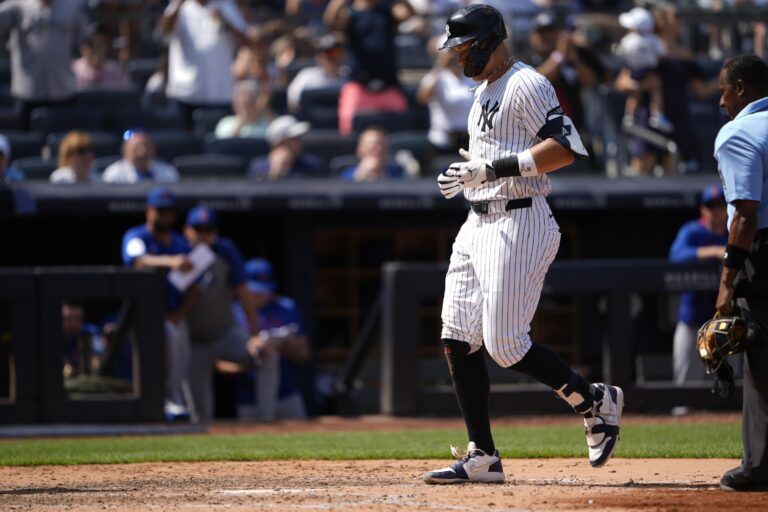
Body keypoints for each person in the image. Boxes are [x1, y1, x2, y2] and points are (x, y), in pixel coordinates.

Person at [428, 5, 622, 484]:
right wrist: (469, 175)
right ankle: (484, 456)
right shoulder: (482, 92)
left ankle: (594, 400)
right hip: (477, 223)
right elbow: (490, 158)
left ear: (490, 40)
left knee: (506, 346)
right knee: (457, 337)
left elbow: (566, 149)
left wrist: (492, 171)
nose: (458, 58)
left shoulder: (526, 83)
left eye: (464, 48)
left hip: (520, 221)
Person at [712, 54, 768, 492]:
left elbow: (745, 216)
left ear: (743, 88)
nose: (721, 101)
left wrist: (727, 282)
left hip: (762, 252)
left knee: (760, 358)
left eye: (724, 90)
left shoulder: (738, 132)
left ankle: (760, 466)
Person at [182, 205, 265, 422]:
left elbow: (245, 294)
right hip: (193, 342)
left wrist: (255, 334)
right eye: (198, 229)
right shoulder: (178, 252)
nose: (203, 235)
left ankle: (268, 419)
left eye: (208, 230)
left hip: (225, 335)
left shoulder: (225, 251)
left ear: (215, 232)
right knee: (200, 416)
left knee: (265, 351)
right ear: (186, 231)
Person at [121, 187, 194, 420]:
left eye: (169, 211)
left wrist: (181, 313)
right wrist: (170, 261)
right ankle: (162, 400)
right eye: (159, 210)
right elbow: (138, 260)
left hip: (173, 313)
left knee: (179, 346)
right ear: (149, 211)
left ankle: (174, 400)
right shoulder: (136, 236)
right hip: (142, 314)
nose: (164, 216)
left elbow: (197, 286)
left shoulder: (181, 244)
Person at [232, 258, 311, 421]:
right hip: (248, 396)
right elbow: (217, 362)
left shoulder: (286, 307)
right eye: (255, 291)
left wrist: (282, 346)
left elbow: (304, 354)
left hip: (287, 393)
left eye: (265, 290)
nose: (261, 295)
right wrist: (250, 361)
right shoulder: (233, 312)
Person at [668, 186, 728, 395]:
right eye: (712, 206)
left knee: (733, 384)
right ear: (703, 209)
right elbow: (675, 256)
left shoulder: (735, 232)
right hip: (692, 320)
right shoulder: (693, 231)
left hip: (725, 323)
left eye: (721, 206)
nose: (717, 211)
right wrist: (714, 252)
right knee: (685, 385)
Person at [324, 0, 414, 135]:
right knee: (349, 134)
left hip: (389, 85)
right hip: (359, 86)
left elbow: (408, 13)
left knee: (401, 133)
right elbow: (331, 20)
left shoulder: (386, 11)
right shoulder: (350, 14)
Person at [160, 0, 251, 124]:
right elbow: (163, 32)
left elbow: (246, 41)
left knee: (219, 140)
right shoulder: (179, 6)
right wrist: (177, 6)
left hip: (220, 93)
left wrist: (225, 21)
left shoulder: (226, 5)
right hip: (184, 93)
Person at [0, 0, 88, 127]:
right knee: (27, 143)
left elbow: (86, 39)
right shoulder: (18, 5)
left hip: (61, 90)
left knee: (61, 140)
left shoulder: (72, 6)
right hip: (27, 91)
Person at [525, 12, 605, 137]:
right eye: (540, 32)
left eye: (549, 32)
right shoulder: (526, 59)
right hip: (544, 132)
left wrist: (575, 60)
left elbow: (591, 82)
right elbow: (538, 81)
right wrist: (560, 56)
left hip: (578, 128)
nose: (544, 37)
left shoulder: (576, 53)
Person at [616, 7, 673, 135]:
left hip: (634, 72)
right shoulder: (653, 40)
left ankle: (630, 115)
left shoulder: (626, 40)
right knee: (656, 89)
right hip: (649, 71)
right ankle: (657, 114)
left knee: (635, 94)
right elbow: (663, 54)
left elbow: (621, 53)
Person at [417, 36, 474, 156]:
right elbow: (422, 98)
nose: (454, 56)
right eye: (451, 52)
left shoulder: (473, 77)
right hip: (442, 142)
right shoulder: (436, 77)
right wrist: (440, 66)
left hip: (470, 140)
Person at [248, 115, 324, 180]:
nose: (299, 141)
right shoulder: (257, 167)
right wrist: (274, 173)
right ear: (281, 142)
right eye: (294, 138)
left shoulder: (312, 165)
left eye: (299, 137)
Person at [286, 34, 347, 114]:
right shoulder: (306, 75)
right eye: (328, 54)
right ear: (318, 57)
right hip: (309, 123)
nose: (332, 58)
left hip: (340, 123)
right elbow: (293, 102)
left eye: (336, 53)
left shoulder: (348, 77)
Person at [102, 131, 179, 184]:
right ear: (125, 152)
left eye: (146, 148)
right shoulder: (114, 174)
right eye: (135, 149)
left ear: (153, 150)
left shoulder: (168, 172)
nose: (142, 153)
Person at [72, 26, 131, 91]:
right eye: (91, 45)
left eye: (99, 45)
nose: (95, 50)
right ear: (82, 47)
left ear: (106, 46)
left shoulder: (116, 70)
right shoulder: (72, 70)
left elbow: (126, 95)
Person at [340, 126, 405, 181]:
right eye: (372, 146)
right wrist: (362, 173)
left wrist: (382, 174)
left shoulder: (398, 172)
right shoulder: (348, 174)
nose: (378, 149)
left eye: (382, 145)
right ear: (360, 149)